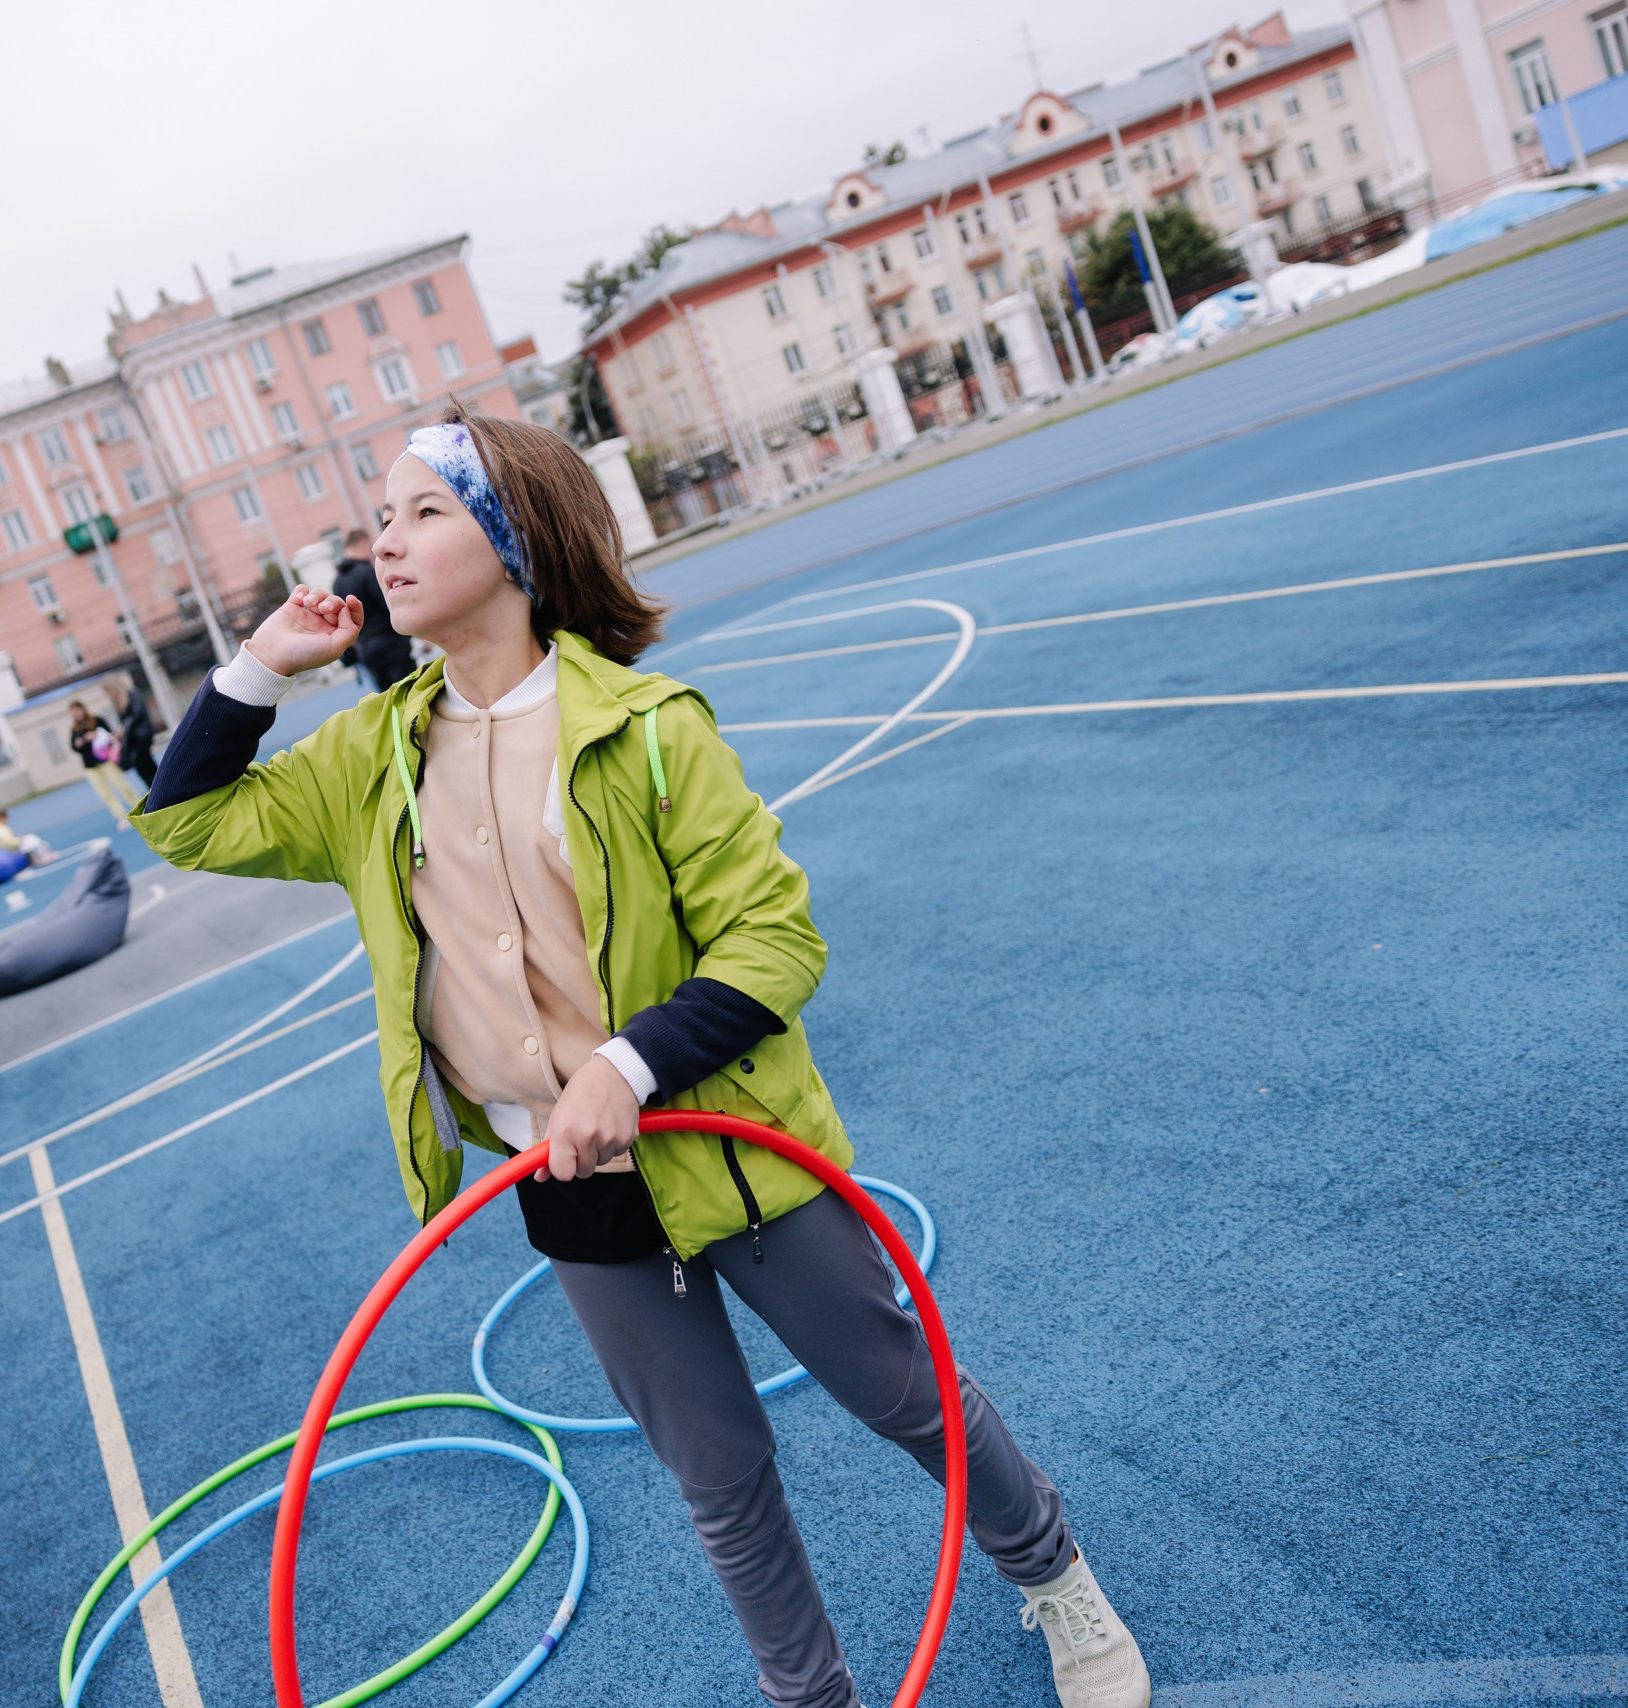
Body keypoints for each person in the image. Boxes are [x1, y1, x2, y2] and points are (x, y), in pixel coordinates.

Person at [133, 408, 1150, 1708]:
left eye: (423, 511)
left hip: (730, 1150)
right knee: (719, 1480)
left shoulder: (649, 727)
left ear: (518, 539)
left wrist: (628, 1063)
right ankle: (811, 1696)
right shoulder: (368, 755)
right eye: (379, 517)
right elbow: (186, 825)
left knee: (908, 1397)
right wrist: (261, 668)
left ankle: (1052, 1572)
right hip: (563, 1179)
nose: (381, 540)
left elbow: (775, 941)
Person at [330, 527, 413, 691]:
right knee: (410, 692)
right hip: (391, 642)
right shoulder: (367, 573)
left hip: (366, 648)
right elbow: (388, 604)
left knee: (388, 698)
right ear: (361, 542)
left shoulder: (337, 582)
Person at [67, 701, 141, 825]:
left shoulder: (97, 720)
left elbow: (111, 737)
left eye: (78, 710)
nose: (77, 713)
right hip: (91, 766)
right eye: (74, 712)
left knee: (122, 785)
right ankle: (121, 816)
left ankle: (139, 808)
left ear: (83, 708)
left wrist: (96, 736)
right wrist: (81, 741)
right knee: (105, 793)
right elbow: (74, 747)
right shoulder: (75, 729)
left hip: (106, 761)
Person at [99, 676, 162, 789]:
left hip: (142, 735)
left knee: (142, 765)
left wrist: (125, 727)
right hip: (133, 738)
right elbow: (123, 720)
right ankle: (157, 788)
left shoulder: (132, 693)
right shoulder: (118, 702)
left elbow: (138, 713)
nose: (108, 694)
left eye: (108, 691)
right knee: (145, 764)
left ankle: (157, 789)